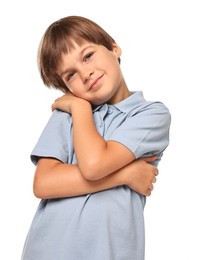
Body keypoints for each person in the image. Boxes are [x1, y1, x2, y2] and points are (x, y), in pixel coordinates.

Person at [21, 15, 171, 260]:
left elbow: (94, 164)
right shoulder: (67, 114)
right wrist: (124, 174)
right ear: (66, 88)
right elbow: (44, 183)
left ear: (113, 47)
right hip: (48, 251)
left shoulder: (150, 114)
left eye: (88, 56)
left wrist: (79, 111)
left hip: (109, 251)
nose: (86, 74)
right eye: (70, 75)